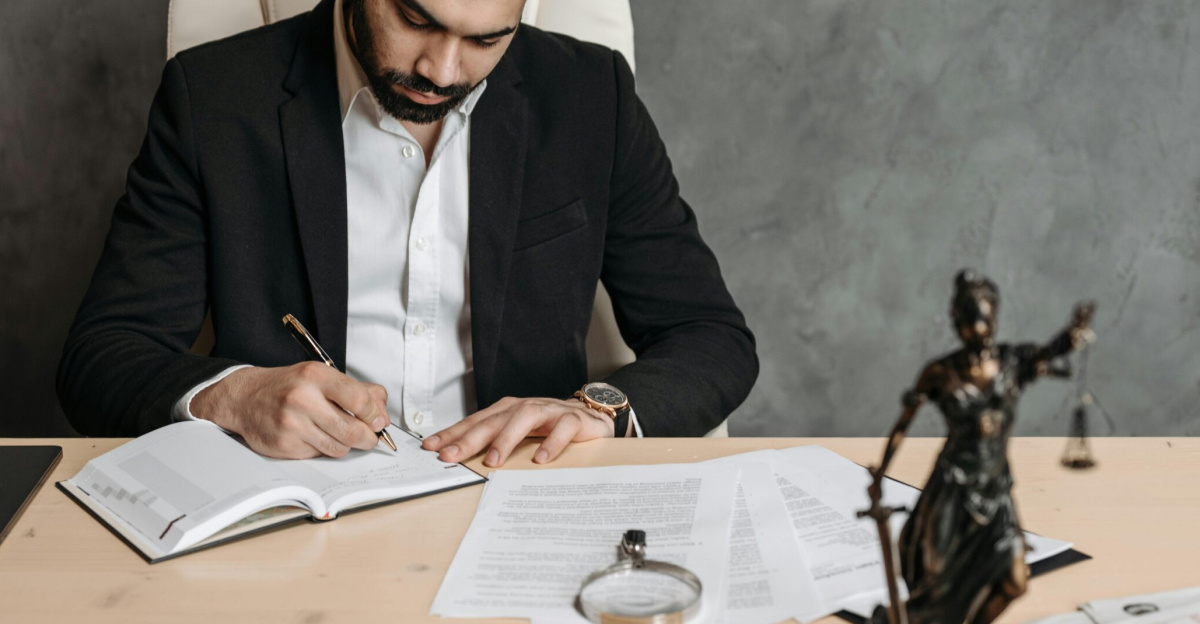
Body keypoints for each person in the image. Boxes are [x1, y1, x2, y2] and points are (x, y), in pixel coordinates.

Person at [56, 0, 757, 467]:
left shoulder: (589, 94)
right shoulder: (212, 95)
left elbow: (710, 335)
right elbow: (100, 358)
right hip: (296, 505)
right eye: (417, 20)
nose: (441, 71)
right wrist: (235, 395)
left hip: (518, 492)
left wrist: (598, 410)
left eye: (486, 38)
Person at [867, 270, 1094, 624]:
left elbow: (1049, 351)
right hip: (953, 490)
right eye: (968, 321)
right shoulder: (940, 372)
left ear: (995, 317)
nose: (976, 329)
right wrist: (881, 472)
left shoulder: (1011, 362)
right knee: (938, 581)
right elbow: (902, 425)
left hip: (995, 490)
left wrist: (1072, 333)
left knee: (1014, 582)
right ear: (956, 322)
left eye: (984, 319)